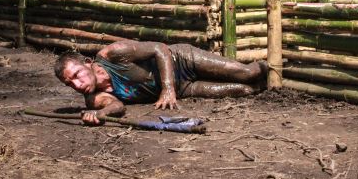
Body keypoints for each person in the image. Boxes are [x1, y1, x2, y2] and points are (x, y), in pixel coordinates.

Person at [55, 40, 268, 125]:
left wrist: (167, 89)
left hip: (183, 60)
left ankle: (277, 68)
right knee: (245, 90)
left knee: (247, 73)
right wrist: (100, 114)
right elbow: (116, 106)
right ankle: (271, 88)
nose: (77, 84)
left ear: (88, 63)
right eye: (69, 84)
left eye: (76, 75)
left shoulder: (112, 54)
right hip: (185, 88)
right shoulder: (93, 98)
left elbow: (160, 48)